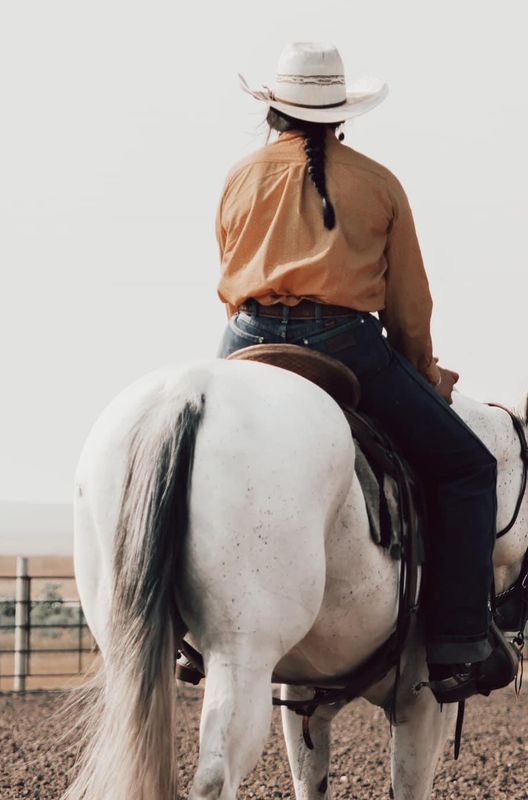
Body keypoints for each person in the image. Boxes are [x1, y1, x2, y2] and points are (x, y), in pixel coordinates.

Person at [218, 43, 510, 703]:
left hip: (245, 337)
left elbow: (230, 273)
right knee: (468, 468)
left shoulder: (239, 177)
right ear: (340, 115)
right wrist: (424, 376)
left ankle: (193, 633)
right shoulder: (378, 183)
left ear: (273, 113)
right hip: (343, 343)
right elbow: (410, 307)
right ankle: (460, 642)